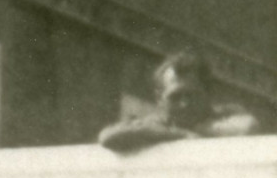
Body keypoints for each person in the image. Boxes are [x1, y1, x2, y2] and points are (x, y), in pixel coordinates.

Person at [99, 49, 258, 155]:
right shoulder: (158, 122)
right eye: (174, 97)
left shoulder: (224, 114)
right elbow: (108, 137)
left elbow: (249, 127)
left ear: (208, 93)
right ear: (159, 99)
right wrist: (180, 134)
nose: (184, 104)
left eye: (192, 95)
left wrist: (201, 128)